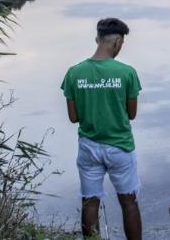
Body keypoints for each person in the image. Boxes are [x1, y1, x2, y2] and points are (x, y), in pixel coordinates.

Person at [60, 18, 142, 239]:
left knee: (90, 202)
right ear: (116, 41)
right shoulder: (127, 72)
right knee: (129, 202)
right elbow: (131, 114)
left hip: (88, 147)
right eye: (122, 43)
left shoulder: (74, 73)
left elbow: (73, 117)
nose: (120, 47)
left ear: (98, 39)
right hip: (120, 147)